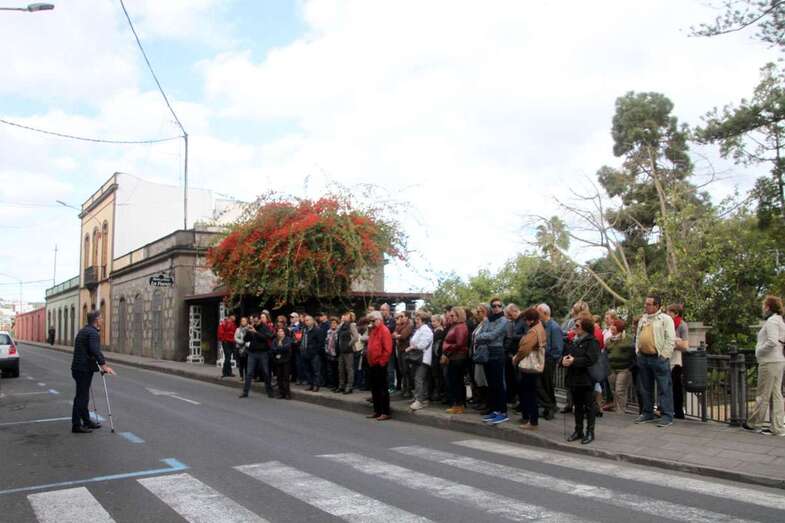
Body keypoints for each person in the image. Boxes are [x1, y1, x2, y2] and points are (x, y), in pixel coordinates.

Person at [743, 295, 785, 436]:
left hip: (769, 361)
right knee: (776, 394)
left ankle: (754, 423)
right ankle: (777, 427)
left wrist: (759, 351)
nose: (762, 308)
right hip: (778, 360)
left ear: (768, 307)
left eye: (764, 305)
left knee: (763, 394)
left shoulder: (772, 321)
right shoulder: (779, 320)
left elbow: (772, 341)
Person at [634, 294, 676, 428]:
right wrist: (637, 351)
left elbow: (670, 339)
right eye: (645, 303)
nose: (645, 306)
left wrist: (664, 355)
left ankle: (666, 415)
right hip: (644, 357)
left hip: (658, 358)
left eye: (648, 304)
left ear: (656, 306)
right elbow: (638, 336)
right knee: (646, 387)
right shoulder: (643, 319)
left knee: (664, 388)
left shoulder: (665, 319)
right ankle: (647, 413)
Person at [71, 311, 114, 434]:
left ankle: (86, 420)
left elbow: (88, 351)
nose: (102, 319)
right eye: (101, 318)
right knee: (81, 397)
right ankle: (76, 425)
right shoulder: (93, 333)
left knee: (83, 395)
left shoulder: (84, 330)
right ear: (95, 320)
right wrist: (104, 366)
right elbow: (95, 350)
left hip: (79, 368)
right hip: (83, 369)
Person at [562, 315, 600, 444]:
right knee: (577, 406)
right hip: (575, 378)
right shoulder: (574, 340)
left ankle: (590, 432)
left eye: (577, 325)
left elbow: (591, 359)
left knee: (589, 406)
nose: (574, 327)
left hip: (586, 379)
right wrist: (564, 360)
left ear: (585, 328)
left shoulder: (592, 341)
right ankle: (578, 431)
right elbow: (568, 355)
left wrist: (574, 361)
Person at [477, 297, 510, 425]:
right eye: (494, 306)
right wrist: (485, 336)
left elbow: (492, 335)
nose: (496, 308)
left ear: (502, 307)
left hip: (497, 352)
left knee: (499, 384)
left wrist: (485, 336)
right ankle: (495, 410)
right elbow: (480, 336)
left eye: (499, 305)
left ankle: (503, 412)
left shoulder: (504, 321)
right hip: (488, 353)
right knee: (491, 384)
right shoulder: (488, 320)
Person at [513, 307, 546, 431]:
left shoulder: (533, 331)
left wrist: (517, 359)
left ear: (531, 320)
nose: (525, 322)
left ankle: (532, 422)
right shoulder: (540, 328)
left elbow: (525, 348)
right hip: (535, 367)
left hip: (530, 368)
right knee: (531, 393)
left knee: (529, 394)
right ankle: (531, 420)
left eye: (526, 319)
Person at [536, 303, 563, 420]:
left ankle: (550, 407)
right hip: (542, 359)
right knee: (542, 385)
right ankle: (549, 407)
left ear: (545, 313)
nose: (537, 315)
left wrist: (548, 356)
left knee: (546, 385)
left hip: (549, 360)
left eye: (539, 312)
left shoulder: (554, 327)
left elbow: (557, 348)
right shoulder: (543, 325)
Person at [367, 311, 393, 420]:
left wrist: (382, 362)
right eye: (371, 321)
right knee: (374, 388)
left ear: (379, 319)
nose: (372, 323)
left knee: (382, 388)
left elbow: (387, 349)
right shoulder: (374, 330)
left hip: (380, 363)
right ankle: (377, 411)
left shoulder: (384, 330)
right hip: (373, 363)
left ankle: (385, 412)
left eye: (373, 321)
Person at [240, 314, 274, 398]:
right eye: (253, 321)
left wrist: (256, 332)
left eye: (256, 320)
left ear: (259, 320)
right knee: (249, 373)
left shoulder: (264, 327)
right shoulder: (252, 327)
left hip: (263, 352)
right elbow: (245, 339)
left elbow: (267, 338)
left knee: (266, 372)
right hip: (252, 353)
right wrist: (248, 332)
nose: (254, 322)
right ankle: (245, 392)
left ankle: (269, 392)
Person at [442, 307, 469, 414]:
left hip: (458, 357)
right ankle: (459, 404)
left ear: (459, 315)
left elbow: (460, 343)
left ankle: (458, 405)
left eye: (453, 315)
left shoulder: (460, 326)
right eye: (450, 315)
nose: (451, 317)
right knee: (455, 381)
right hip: (454, 356)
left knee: (456, 381)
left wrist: (447, 349)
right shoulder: (455, 326)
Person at [605, 319, 635, 413]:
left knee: (620, 390)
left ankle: (620, 411)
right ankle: (616, 408)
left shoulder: (628, 339)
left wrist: (631, 366)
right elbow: (606, 352)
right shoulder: (608, 340)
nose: (611, 327)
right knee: (613, 390)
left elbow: (633, 352)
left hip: (624, 369)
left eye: (614, 325)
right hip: (611, 368)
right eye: (612, 325)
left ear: (619, 327)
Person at [666, 304, 689, 419]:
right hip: (665, 358)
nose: (667, 314)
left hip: (676, 361)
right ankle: (667, 409)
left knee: (676, 386)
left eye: (669, 312)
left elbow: (685, 345)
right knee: (665, 386)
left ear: (676, 313)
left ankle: (678, 411)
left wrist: (672, 342)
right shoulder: (665, 324)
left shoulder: (682, 325)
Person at [408, 310, 434, 411]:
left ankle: (419, 400)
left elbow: (422, 345)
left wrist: (412, 347)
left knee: (418, 379)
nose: (415, 321)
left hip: (423, 358)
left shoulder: (426, 330)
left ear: (423, 321)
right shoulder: (420, 329)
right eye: (416, 319)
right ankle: (423, 398)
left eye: (418, 319)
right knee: (422, 379)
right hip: (419, 358)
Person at [503, 304, 527, 407]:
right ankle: (514, 399)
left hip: (520, 354)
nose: (508, 317)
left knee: (520, 380)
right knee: (513, 379)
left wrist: (513, 336)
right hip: (513, 354)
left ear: (515, 311)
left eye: (509, 314)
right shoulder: (514, 321)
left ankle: (522, 403)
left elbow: (527, 335)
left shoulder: (523, 321)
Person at [469, 304, 490, 412]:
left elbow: (484, 337)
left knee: (483, 379)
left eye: (478, 312)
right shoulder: (480, 323)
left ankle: (485, 402)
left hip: (482, 355)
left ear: (485, 312)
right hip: (476, 354)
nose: (477, 314)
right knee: (478, 379)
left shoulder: (486, 322)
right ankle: (481, 401)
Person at [336, 312, 359, 394]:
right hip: (341, 350)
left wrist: (349, 344)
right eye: (344, 315)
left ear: (350, 318)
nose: (344, 317)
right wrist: (341, 323)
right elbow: (336, 331)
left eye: (346, 316)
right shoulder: (342, 325)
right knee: (340, 369)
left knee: (349, 369)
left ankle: (349, 387)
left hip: (348, 351)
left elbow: (356, 337)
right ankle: (341, 385)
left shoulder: (352, 325)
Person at [302, 315, 326, 392]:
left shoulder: (317, 330)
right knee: (308, 370)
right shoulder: (305, 330)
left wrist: (315, 352)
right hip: (305, 353)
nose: (306, 322)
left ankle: (316, 385)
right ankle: (311, 384)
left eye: (308, 320)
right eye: (305, 320)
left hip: (314, 354)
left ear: (312, 321)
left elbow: (321, 343)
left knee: (316, 370)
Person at [393, 311, 414, 398]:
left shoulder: (409, 325)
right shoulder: (400, 325)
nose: (400, 318)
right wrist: (397, 335)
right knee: (402, 370)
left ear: (407, 317)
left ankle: (408, 390)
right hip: (400, 349)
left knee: (406, 370)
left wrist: (397, 336)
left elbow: (403, 336)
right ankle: (404, 388)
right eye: (399, 316)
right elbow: (393, 334)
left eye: (402, 316)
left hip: (406, 350)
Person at [271, 326, 292, 399]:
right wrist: (279, 349)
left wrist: (278, 349)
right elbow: (273, 349)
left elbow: (287, 347)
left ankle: (287, 394)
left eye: (281, 331)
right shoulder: (275, 340)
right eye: (278, 331)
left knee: (285, 378)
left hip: (286, 361)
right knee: (279, 378)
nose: (280, 333)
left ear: (284, 332)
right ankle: (281, 393)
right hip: (278, 361)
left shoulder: (288, 339)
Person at [430, 314, 447, 402]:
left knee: (437, 376)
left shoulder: (439, 331)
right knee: (435, 376)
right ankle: (437, 392)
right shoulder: (435, 330)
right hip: (434, 356)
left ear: (439, 321)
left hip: (437, 357)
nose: (432, 323)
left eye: (434, 321)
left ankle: (439, 393)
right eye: (432, 321)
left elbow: (436, 346)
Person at [218, 314, 237, 378]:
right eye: (234, 316)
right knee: (228, 357)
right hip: (226, 341)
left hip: (231, 341)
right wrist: (223, 340)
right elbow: (221, 332)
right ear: (230, 316)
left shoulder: (233, 324)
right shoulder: (225, 322)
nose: (235, 317)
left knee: (228, 357)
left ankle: (228, 372)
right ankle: (225, 372)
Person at [289, 312, 304, 385]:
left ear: (297, 318)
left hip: (298, 347)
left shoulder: (300, 326)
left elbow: (298, 338)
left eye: (293, 317)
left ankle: (299, 378)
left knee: (299, 363)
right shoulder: (290, 326)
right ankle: (294, 377)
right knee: (293, 363)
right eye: (291, 317)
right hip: (291, 347)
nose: (291, 319)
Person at [325, 317, 339, 391]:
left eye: (334, 323)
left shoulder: (338, 332)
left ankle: (337, 385)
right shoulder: (328, 331)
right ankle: (333, 385)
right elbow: (326, 342)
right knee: (331, 371)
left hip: (336, 354)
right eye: (331, 323)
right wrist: (326, 350)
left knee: (337, 371)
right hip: (329, 353)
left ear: (337, 324)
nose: (333, 325)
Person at [234, 317, 250, 382]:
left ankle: (247, 376)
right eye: (242, 321)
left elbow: (250, 337)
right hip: (240, 347)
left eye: (244, 321)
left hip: (247, 348)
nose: (243, 322)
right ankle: (241, 376)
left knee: (247, 363)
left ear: (247, 322)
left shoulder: (249, 329)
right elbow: (235, 337)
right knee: (241, 364)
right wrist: (241, 342)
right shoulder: (238, 329)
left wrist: (246, 343)